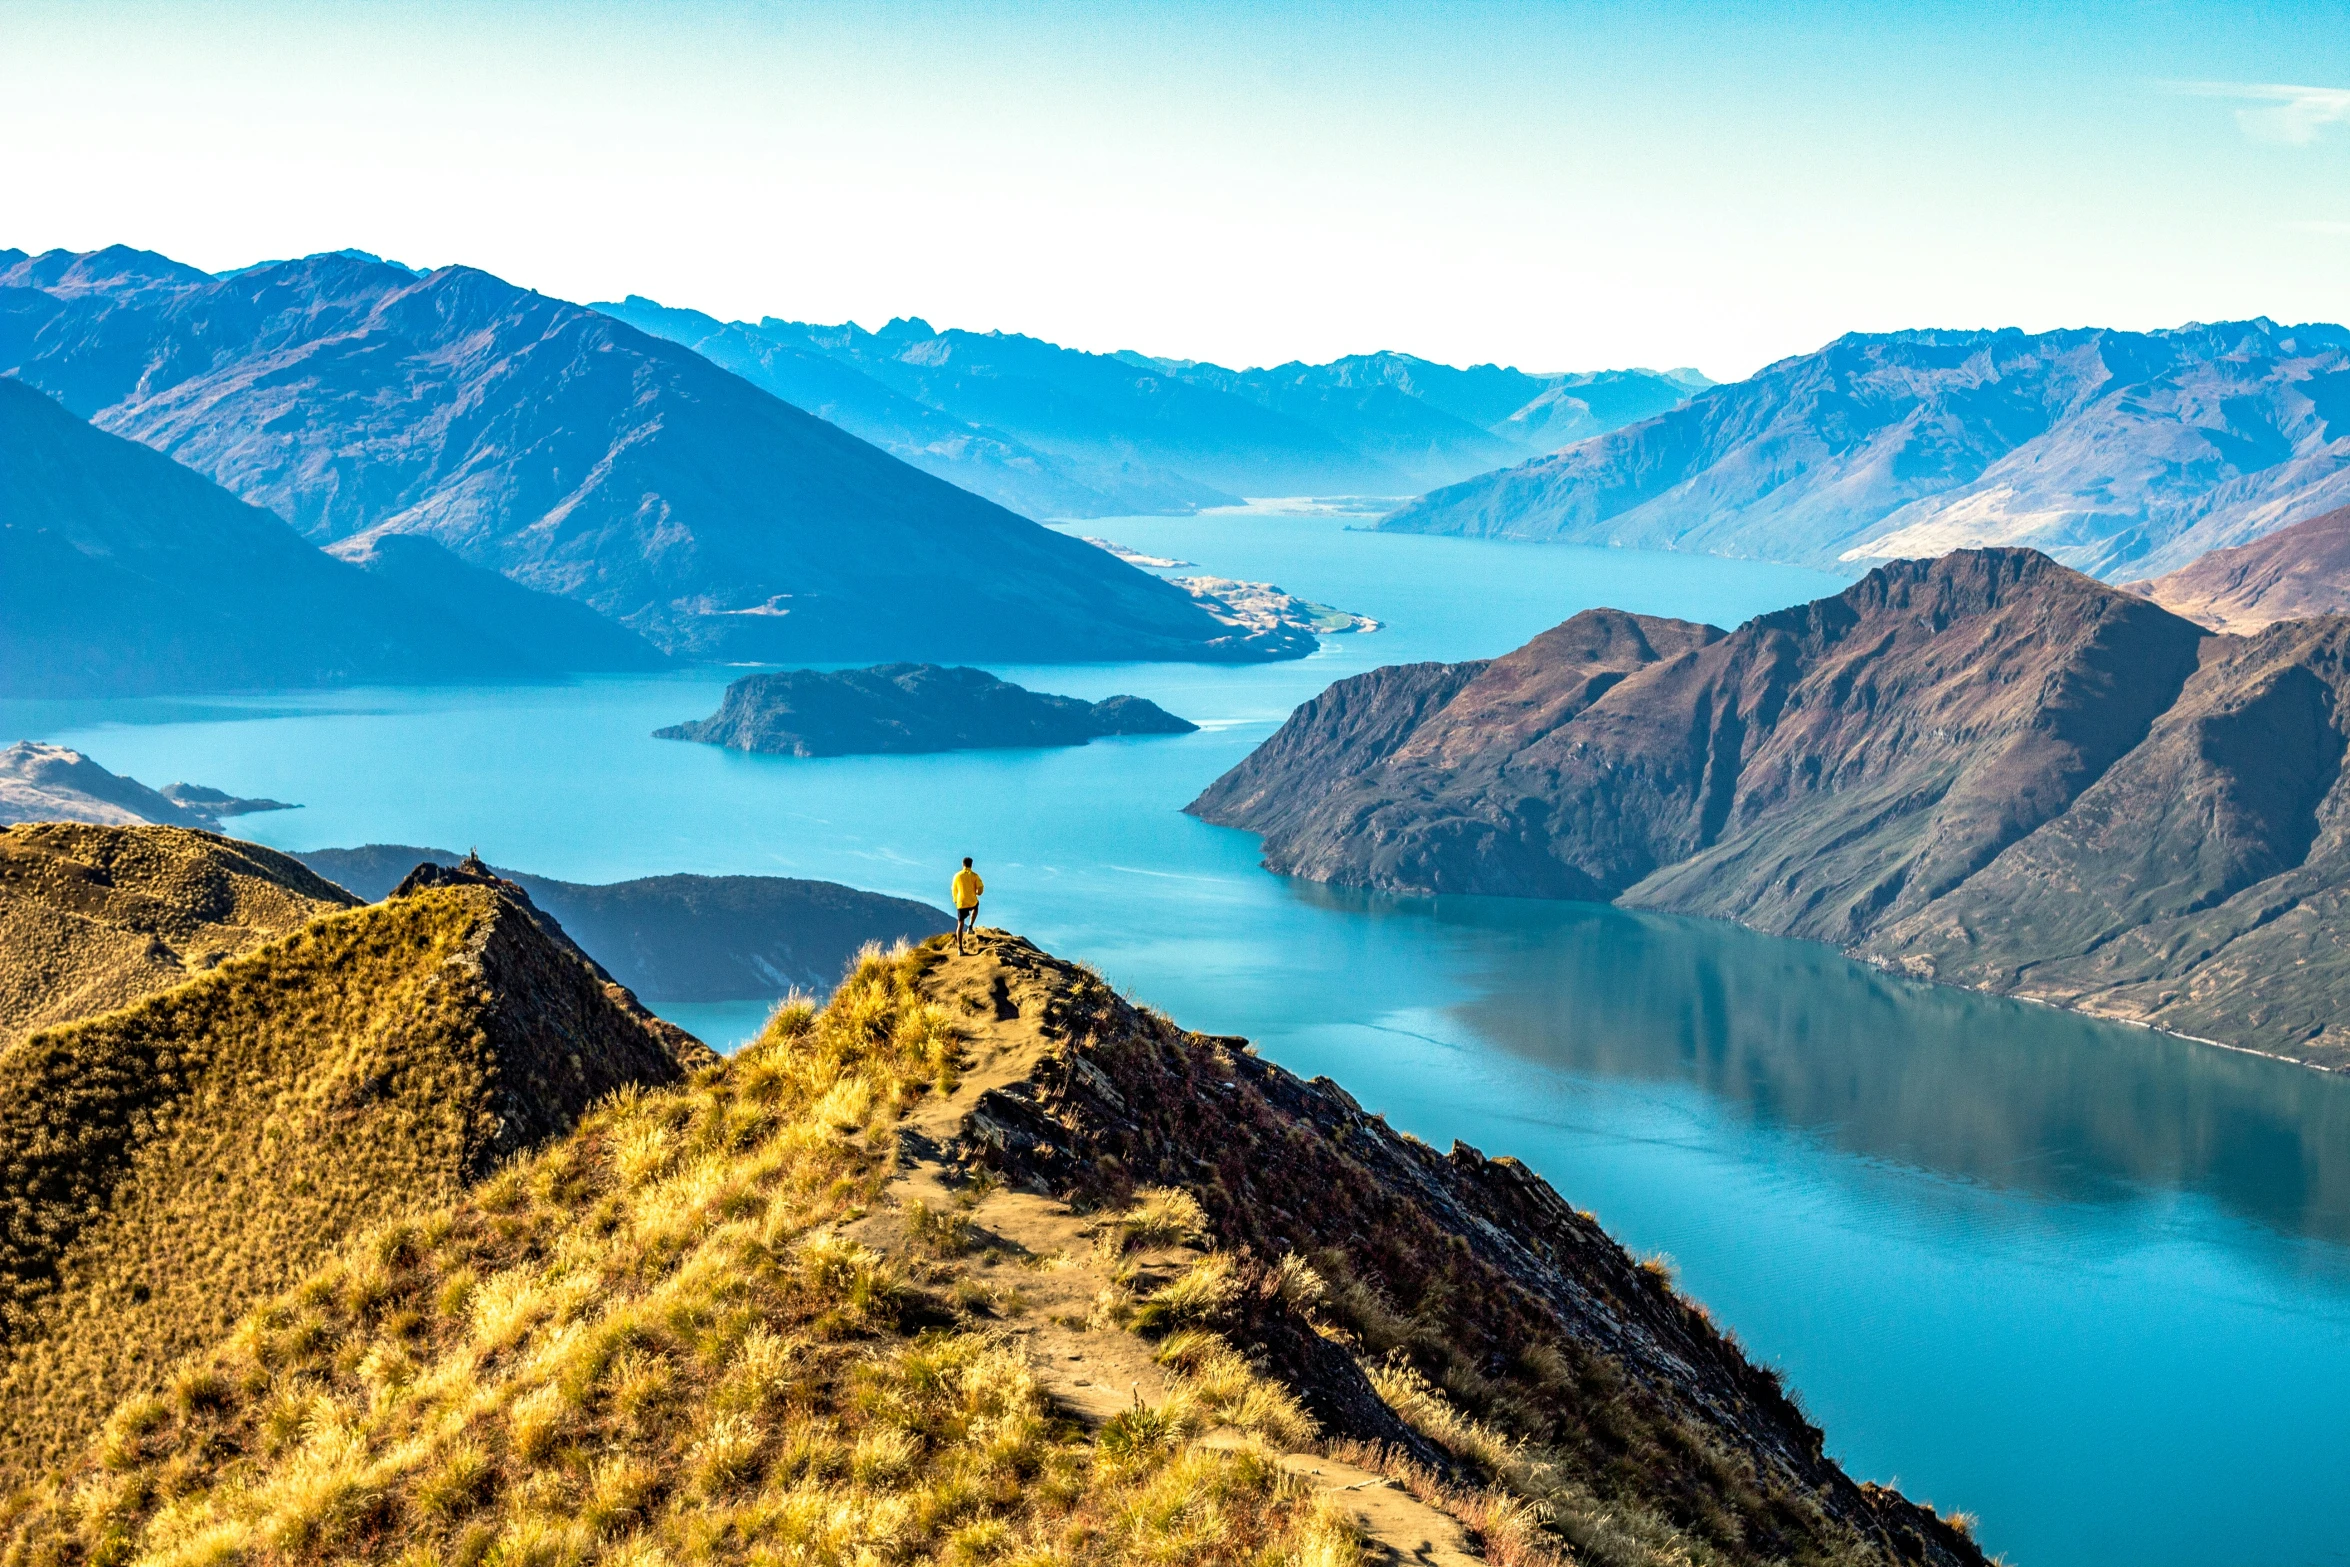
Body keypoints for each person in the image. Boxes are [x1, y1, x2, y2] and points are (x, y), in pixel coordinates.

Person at [950, 857, 984, 952]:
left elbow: (953, 889)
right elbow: (980, 888)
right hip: (972, 900)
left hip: (961, 902)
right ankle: (970, 926)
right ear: (971, 865)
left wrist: (955, 899)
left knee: (960, 924)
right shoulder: (975, 876)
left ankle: (960, 949)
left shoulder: (957, 876)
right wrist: (977, 893)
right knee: (975, 908)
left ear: (963, 864)